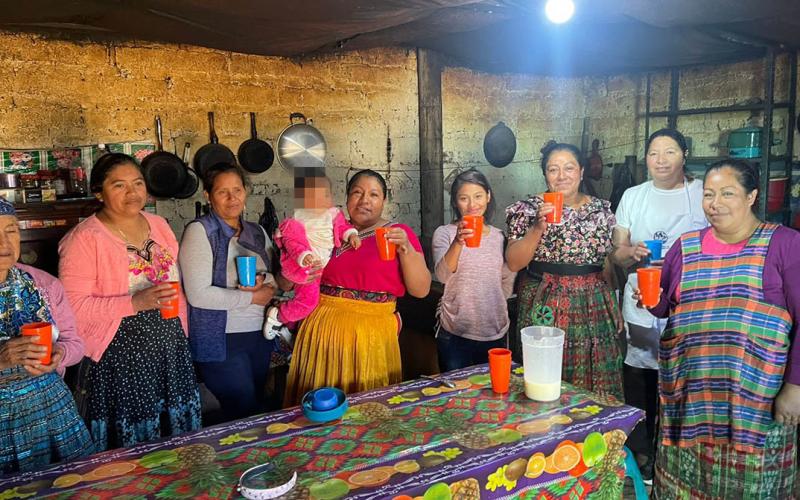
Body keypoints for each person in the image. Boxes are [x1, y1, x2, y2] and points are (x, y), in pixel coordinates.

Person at [640, 159, 800, 498]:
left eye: (728, 193)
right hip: (690, 399)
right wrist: (648, 298)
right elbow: (666, 306)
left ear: (752, 195)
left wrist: (795, 387)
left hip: (755, 403)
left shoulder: (785, 245)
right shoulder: (685, 247)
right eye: (709, 194)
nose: (715, 203)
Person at [59, 153, 201, 450]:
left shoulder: (159, 224)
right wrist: (134, 303)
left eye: (137, 183)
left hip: (169, 347)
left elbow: (177, 284)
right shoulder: (84, 239)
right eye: (119, 185)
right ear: (99, 192)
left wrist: (183, 335)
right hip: (120, 356)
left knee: (176, 439)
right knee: (134, 446)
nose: (132, 192)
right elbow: (74, 308)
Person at [284, 169, 431, 405]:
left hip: (370, 336)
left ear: (384, 200)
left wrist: (406, 250)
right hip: (321, 330)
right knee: (318, 405)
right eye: (357, 193)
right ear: (347, 198)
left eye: (374, 194)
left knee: (368, 407)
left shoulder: (398, 234)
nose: (364, 201)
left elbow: (421, 290)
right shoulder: (325, 229)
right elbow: (289, 280)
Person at [610, 128, 707, 478]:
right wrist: (629, 252)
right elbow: (617, 252)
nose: (661, 160)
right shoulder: (634, 196)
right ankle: (643, 452)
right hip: (642, 290)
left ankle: (679, 451)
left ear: (684, 154)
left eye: (669, 152)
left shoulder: (701, 192)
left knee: (685, 371)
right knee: (640, 369)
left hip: (690, 296)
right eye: (653, 153)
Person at [505, 142, 622, 398]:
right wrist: (538, 228)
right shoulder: (527, 209)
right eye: (553, 169)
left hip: (594, 301)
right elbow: (514, 262)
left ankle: (596, 433)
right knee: (543, 375)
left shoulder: (601, 210)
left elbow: (607, 260)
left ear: (581, 171)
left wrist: (614, 306)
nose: (561, 176)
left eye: (569, 168)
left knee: (597, 372)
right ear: (545, 174)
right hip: (544, 300)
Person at [180, 163, 288, 422]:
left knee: (256, 404)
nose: (232, 198)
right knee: (243, 407)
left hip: (259, 335)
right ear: (208, 195)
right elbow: (198, 295)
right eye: (222, 192)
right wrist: (252, 297)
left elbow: (275, 279)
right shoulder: (201, 231)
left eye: (237, 190)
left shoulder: (257, 232)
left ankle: (252, 458)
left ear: (246, 192)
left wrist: (265, 280)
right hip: (222, 339)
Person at [0, 198, 94, 473]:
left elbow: (75, 343)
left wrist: (60, 354)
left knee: (70, 484)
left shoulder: (44, 284)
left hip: (52, 411)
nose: (4, 244)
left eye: (11, 231)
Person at [433, 169, 515, 372]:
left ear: (488, 196)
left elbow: (506, 283)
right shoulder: (444, 233)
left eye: (478, 196)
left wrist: (489, 308)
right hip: (454, 333)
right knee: (457, 397)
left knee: (493, 396)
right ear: (455, 202)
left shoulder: (500, 237)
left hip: (495, 332)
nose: (472, 205)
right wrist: (458, 242)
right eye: (464, 198)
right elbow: (442, 276)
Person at [263, 174, 360, 340]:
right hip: (307, 267)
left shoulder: (333, 214)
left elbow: (343, 227)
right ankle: (278, 316)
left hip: (320, 270)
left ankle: (288, 325)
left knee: (307, 301)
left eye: (326, 195)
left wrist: (351, 235)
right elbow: (292, 241)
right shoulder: (298, 219)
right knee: (308, 302)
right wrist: (303, 256)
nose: (322, 200)